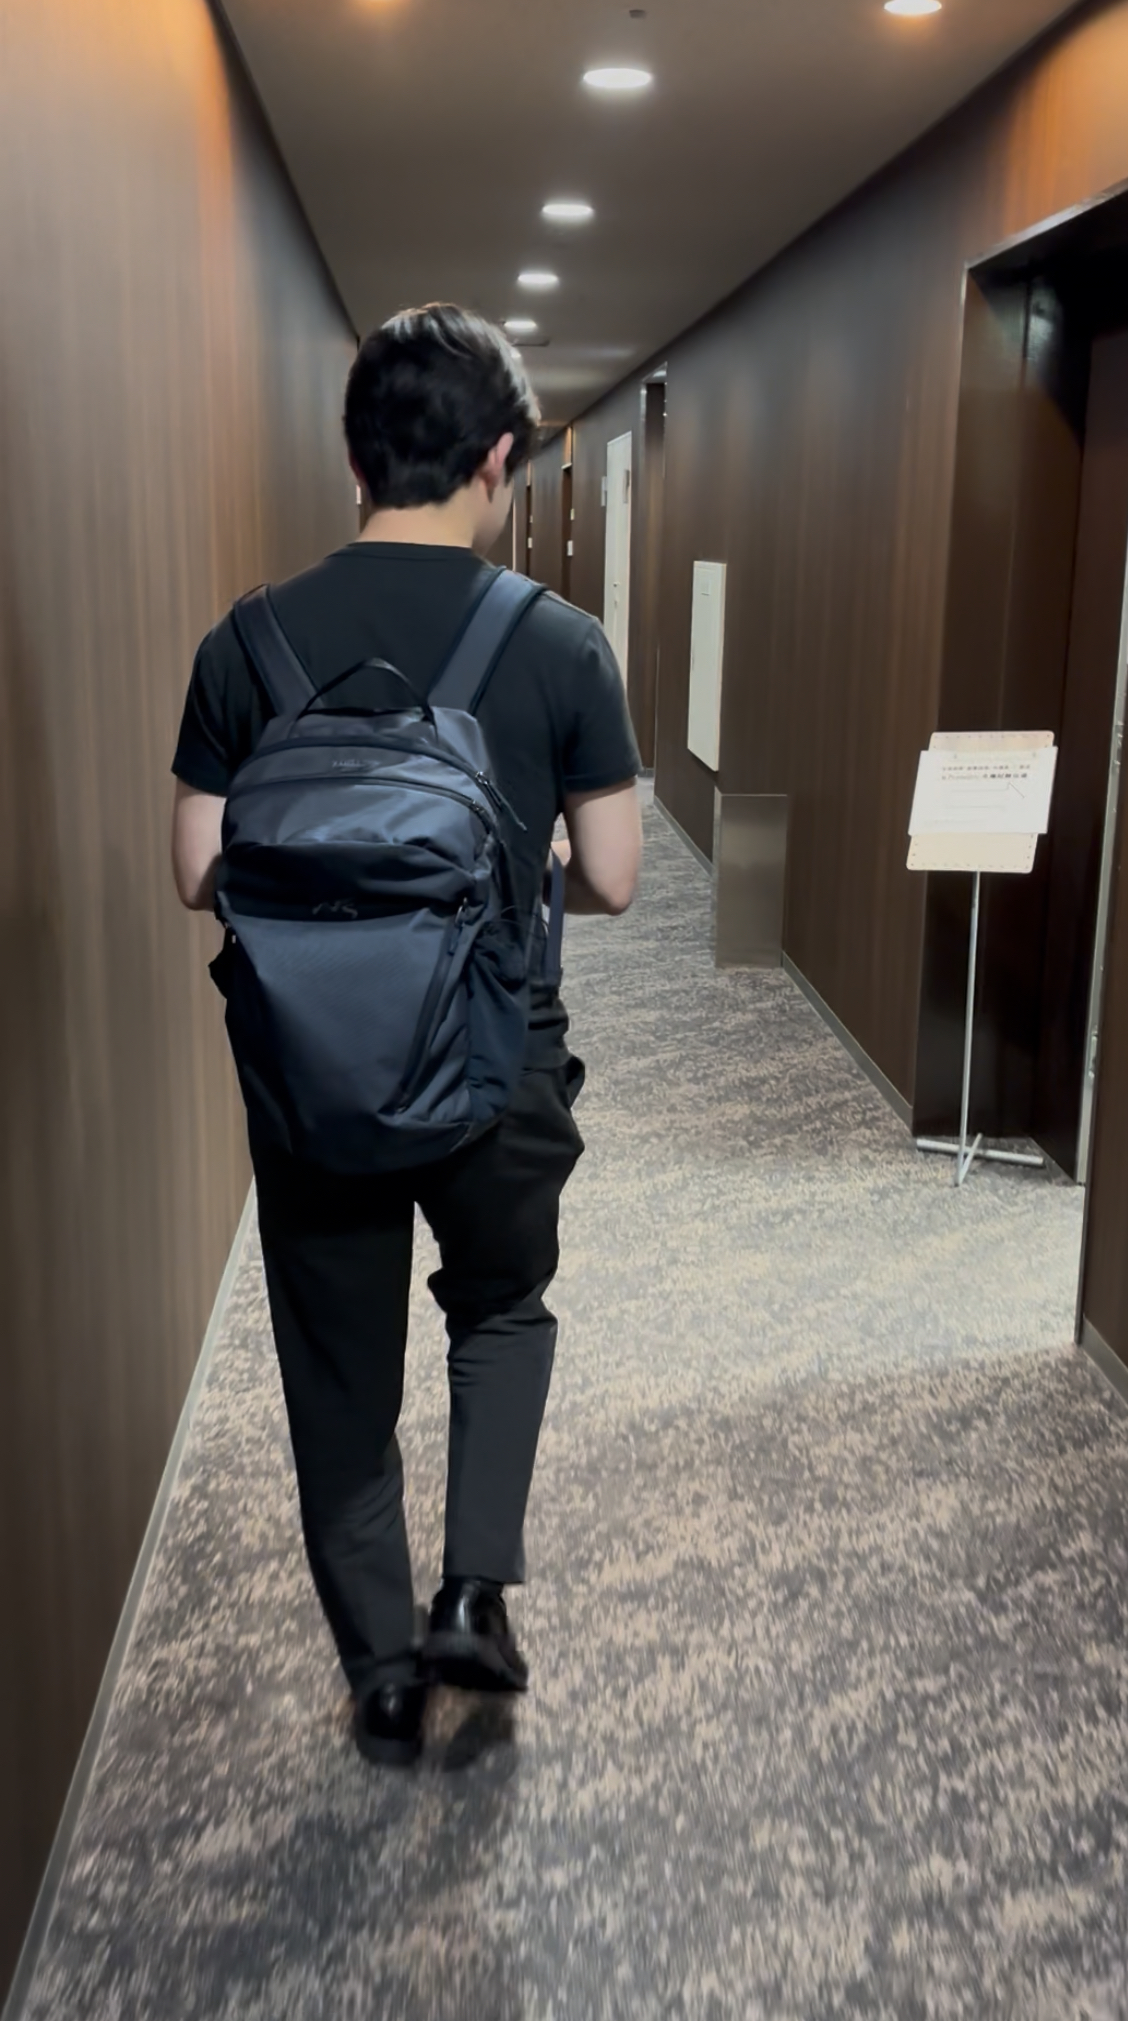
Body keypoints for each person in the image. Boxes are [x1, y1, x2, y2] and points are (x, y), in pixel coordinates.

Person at [170, 306, 642, 1766]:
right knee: (500, 1305)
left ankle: (382, 1676)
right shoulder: (559, 642)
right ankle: (473, 1592)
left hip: (312, 1071)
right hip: (498, 1062)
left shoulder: (248, 640)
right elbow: (616, 876)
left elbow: (198, 870)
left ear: (352, 453)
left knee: (337, 1372)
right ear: (498, 459)